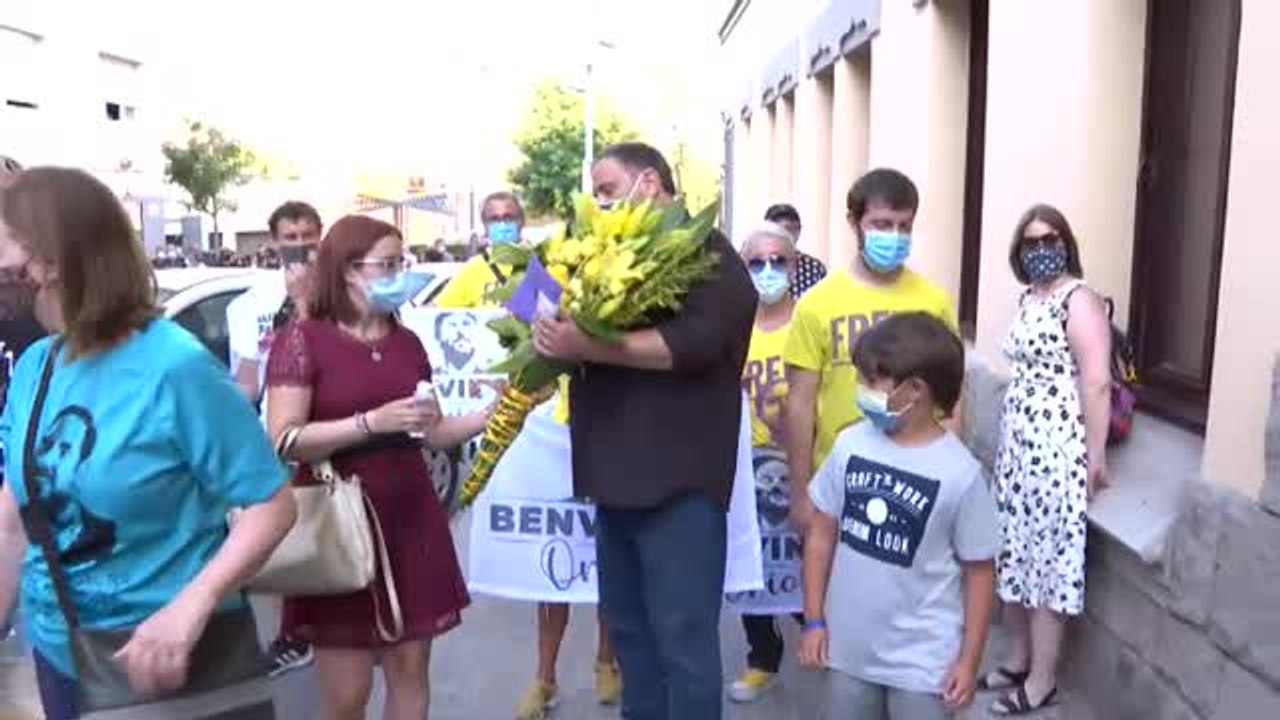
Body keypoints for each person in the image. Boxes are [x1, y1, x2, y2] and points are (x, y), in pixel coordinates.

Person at [0, 167, 296, 720]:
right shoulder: (36, 367)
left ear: (53, 258)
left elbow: (271, 505)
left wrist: (191, 606)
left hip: (166, 662)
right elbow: (13, 520)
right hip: (57, 654)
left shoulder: (174, 367)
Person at [533, 142, 756, 720]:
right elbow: (529, 298)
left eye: (607, 190)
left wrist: (591, 345)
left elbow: (693, 345)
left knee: (683, 644)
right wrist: (535, 317)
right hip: (613, 481)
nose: (598, 202)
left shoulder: (710, 255)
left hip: (679, 486)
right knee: (630, 638)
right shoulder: (599, 250)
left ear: (650, 183)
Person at [266, 215, 487, 720]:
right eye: (387, 265)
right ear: (347, 270)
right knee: (348, 695)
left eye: (400, 262)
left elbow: (431, 432)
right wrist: (368, 423)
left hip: (410, 517)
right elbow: (284, 439)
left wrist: (494, 415)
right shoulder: (304, 340)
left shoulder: (407, 343)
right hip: (338, 523)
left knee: (411, 673)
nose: (399, 274)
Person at [799, 311, 998, 719]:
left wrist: (968, 660)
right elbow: (821, 534)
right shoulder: (851, 445)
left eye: (872, 381)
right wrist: (814, 619)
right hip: (847, 652)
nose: (860, 390)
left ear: (916, 391)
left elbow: (980, 571)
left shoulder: (960, 474)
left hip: (924, 665)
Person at [986, 205, 1111, 716]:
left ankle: (1042, 681)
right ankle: (1018, 659)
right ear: (1020, 250)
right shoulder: (1027, 297)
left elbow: (1097, 379)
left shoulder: (1079, 300)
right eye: (1031, 241)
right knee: (1013, 554)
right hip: (1018, 453)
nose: (1042, 249)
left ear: (1067, 243)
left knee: (1047, 565)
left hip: (1057, 452)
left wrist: (1096, 457)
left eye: (1051, 238)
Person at [784, 169, 958, 533]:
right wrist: (800, 493)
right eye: (881, 224)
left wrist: (949, 475)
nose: (893, 236)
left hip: (916, 482)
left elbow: (952, 399)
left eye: (903, 226)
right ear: (854, 223)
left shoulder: (934, 301)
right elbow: (799, 405)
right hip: (837, 484)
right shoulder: (817, 304)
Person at [225, 200, 324, 678]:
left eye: (309, 236)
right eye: (291, 238)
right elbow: (247, 382)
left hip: (329, 428)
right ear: (274, 243)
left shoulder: (341, 295)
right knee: (289, 537)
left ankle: (323, 628)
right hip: (277, 436)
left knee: (338, 529)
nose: (300, 246)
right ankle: (296, 633)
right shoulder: (249, 305)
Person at [726, 221, 804, 703]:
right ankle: (762, 658)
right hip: (742, 467)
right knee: (751, 564)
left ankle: (825, 638)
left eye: (779, 260)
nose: (769, 270)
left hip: (802, 465)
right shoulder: (731, 328)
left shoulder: (809, 321)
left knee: (805, 564)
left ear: (795, 265)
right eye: (757, 262)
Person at [434, 191, 523, 309]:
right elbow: (438, 311)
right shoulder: (472, 269)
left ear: (521, 221)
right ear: (485, 226)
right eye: (494, 219)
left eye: (508, 218)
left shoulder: (542, 263)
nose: (502, 225)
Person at [763, 203, 827, 297]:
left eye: (788, 229)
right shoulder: (758, 266)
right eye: (776, 230)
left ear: (799, 230)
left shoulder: (814, 268)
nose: (783, 235)